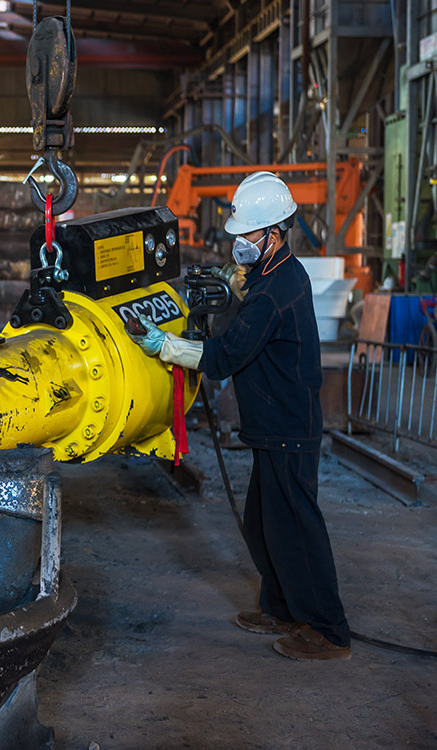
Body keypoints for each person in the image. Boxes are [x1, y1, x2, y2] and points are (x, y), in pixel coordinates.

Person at [131, 171, 351, 661]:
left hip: (290, 429)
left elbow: (224, 356)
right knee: (262, 522)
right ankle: (281, 608)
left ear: (273, 234)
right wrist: (235, 284)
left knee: (297, 527)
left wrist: (164, 345)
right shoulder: (275, 274)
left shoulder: (275, 291)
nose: (240, 244)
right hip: (275, 427)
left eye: (248, 236)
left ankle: (329, 630)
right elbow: (244, 306)